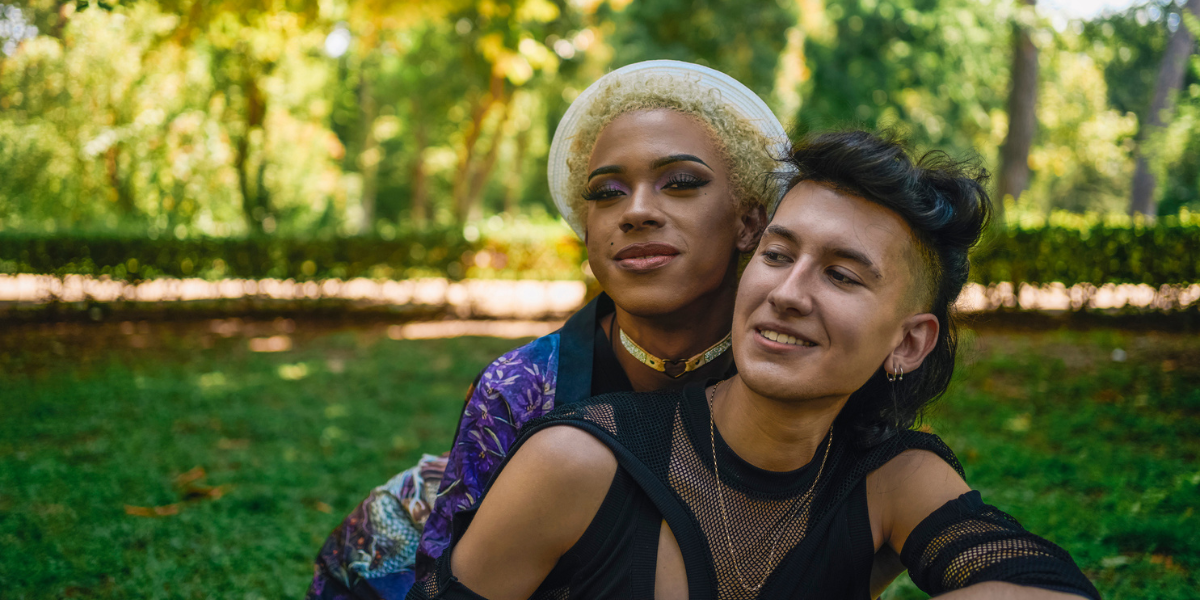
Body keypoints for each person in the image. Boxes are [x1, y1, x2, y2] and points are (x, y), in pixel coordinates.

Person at [409, 131, 1101, 599]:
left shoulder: (892, 480)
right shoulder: (578, 462)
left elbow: (1033, 578)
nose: (787, 293)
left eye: (842, 275)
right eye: (777, 255)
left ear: (909, 343)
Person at [307, 60, 795, 599]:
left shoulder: (791, 367)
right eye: (606, 192)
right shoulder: (518, 388)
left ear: (749, 223)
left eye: (679, 183)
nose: (634, 211)